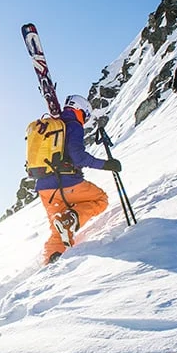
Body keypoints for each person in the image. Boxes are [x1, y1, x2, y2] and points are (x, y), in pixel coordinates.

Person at [34, 94, 121, 264]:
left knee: (57, 227)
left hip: (44, 188)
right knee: (100, 199)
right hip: (67, 182)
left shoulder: (54, 125)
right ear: (82, 110)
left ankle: (52, 260)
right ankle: (70, 219)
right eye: (86, 115)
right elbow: (78, 157)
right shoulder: (73, 125)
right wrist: (106, 165)